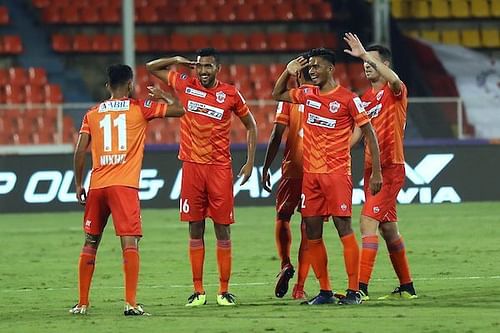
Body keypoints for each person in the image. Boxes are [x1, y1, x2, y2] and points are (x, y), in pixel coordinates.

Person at [70, 64, 184, 316]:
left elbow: (79, 150)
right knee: (129, 242)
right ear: (130, 85)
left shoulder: (93, 113)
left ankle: (82, 303)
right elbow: (180, 110)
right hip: (124, 186)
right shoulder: (140, 107)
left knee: (90, 241)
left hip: (98, 185)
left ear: (108, 85)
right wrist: (164, 96)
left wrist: (79, 183)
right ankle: (131, 303)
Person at [146, 48, 257, 307]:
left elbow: (251, 124)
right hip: (192, 168)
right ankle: (198, 291)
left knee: (222, 230)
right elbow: (151, 67)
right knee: (195, 228)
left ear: (217, 68)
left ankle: (224, 290)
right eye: (200, 67)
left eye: (209, 66)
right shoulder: (185, 83)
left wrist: (251, 161)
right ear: (195, 68)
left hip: (219, 169)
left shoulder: (230, 93)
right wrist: (176, 60)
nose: (204, 71)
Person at [272, 48, 383, 305]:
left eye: (316, 66)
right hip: (311, 177)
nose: (311, 70)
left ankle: (354, 291)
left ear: (330, 69)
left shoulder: (348, 99)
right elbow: (277, 94)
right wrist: (286, 73)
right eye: (309, 66)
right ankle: (325, 292)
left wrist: (376, 171)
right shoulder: (307, 94)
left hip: (337, 175)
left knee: (343, 228)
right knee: (312, 232)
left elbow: (369, 134)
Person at [344, 33, 417, 301]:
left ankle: (360, 288)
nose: (366, 66)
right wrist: (334, 151)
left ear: (384, 65)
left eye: (372, 63)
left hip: (390, 167)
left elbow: (395, 78)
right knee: (389, 230)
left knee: (367, 222)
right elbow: (356, 135)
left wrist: (364, 54)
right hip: (370, 170)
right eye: (364, 63)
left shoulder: (395, 91)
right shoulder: (364, 99)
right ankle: (407, 287)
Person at [262, 53, 313, 300]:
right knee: (309, 226)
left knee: (283, 217)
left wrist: (265, 167)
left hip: (292, 169)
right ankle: (300, 287)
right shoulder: (329, 96)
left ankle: (285, 263)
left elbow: (275, 135)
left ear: (297, 74)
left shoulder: (290, 99)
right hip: (318, 171)